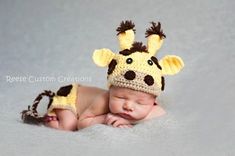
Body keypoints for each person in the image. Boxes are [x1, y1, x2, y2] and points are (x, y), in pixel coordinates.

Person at [21, 20, 184, 131]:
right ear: (111, 90)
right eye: (120, 98)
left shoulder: (151, 104)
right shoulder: (103, 100)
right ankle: (51, 119)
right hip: (71, 97)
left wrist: (131, 120)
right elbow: (83, 122)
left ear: (153, 101)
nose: (128, 106)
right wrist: (105, 118)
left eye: (140, 103)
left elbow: (161, 113)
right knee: (69, 126)